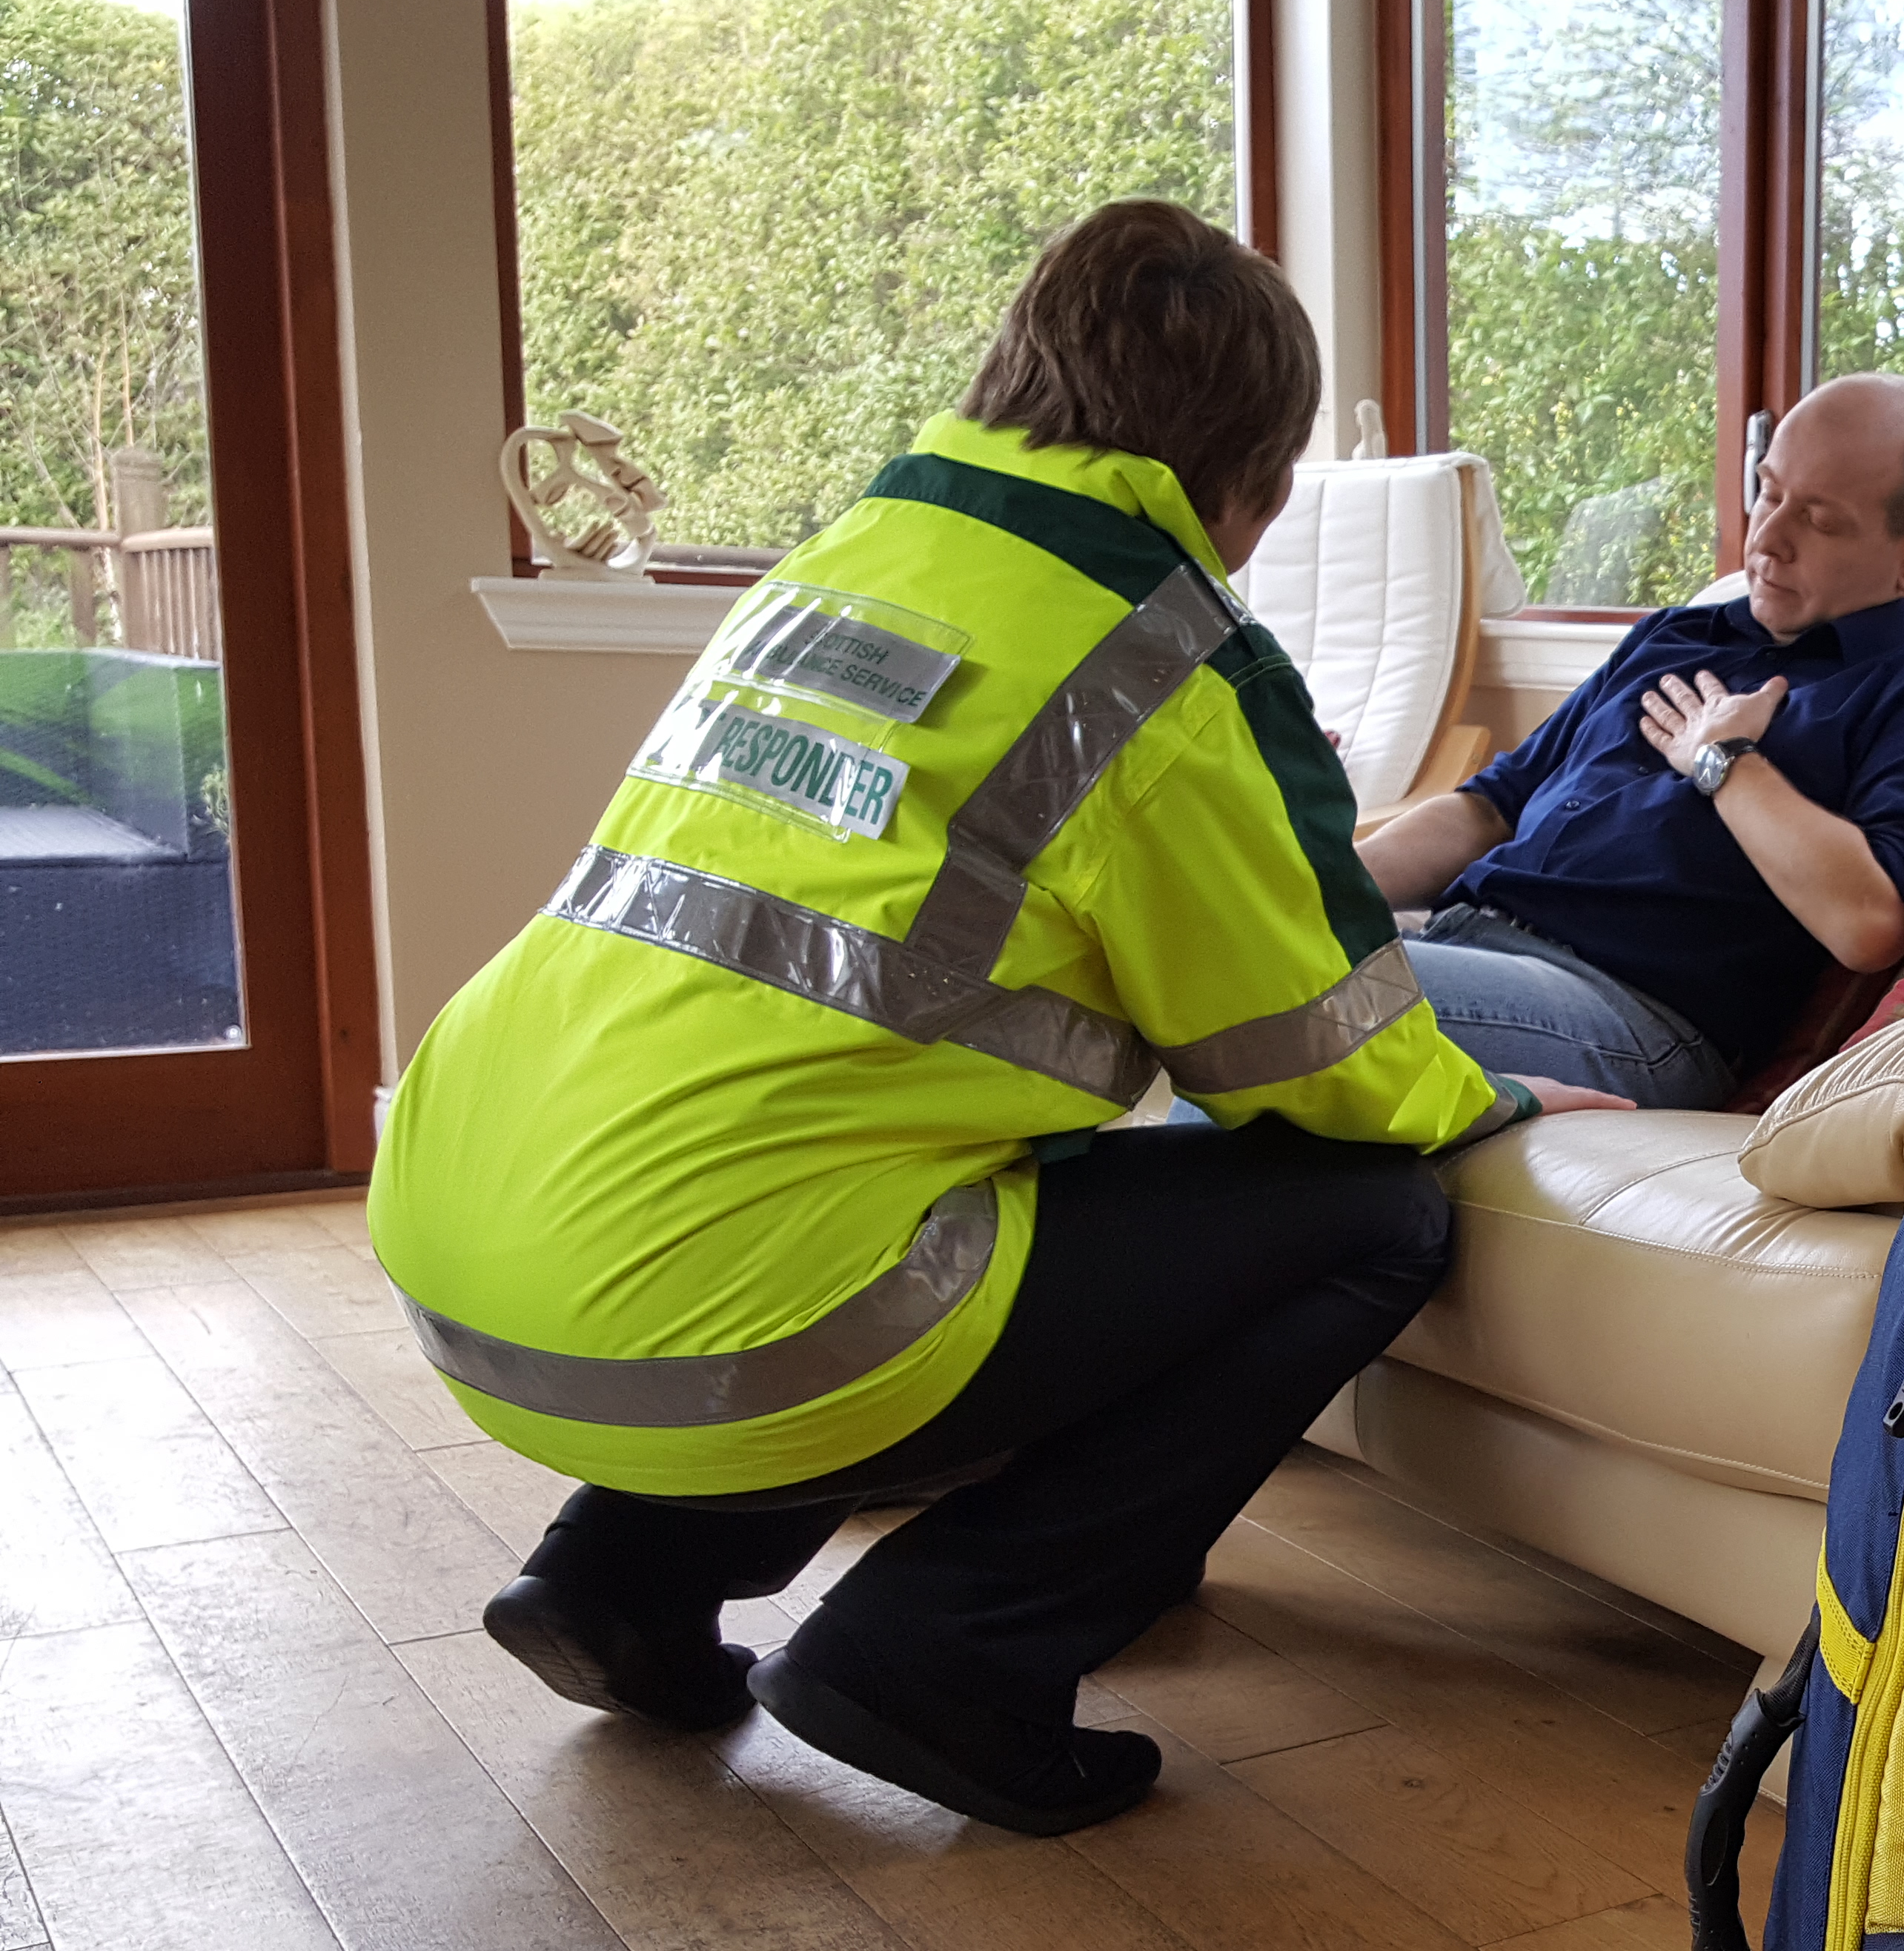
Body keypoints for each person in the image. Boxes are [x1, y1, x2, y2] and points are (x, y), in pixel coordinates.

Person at [366, 201, 1622, 1838]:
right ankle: (949, 1657)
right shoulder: (1163, 671)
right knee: (1369, 1217)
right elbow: (1323, 1063)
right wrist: (1499, 1105)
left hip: (466, 1265)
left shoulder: (852, 562)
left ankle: (620, 1576)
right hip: (717, 1320)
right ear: (1251, 474)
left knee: (863, 1179)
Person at [1354, 374, 1904, 1107]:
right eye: (1767, 492)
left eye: (1818, 521)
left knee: (1289, 988)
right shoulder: (1677, 635)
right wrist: (1321, 883)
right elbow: (1489, 809)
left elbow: (1869, 924)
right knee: (1249, 955)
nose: (1766, 539)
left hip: (1627, 1014)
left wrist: (1724, 763)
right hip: (1463, 941)